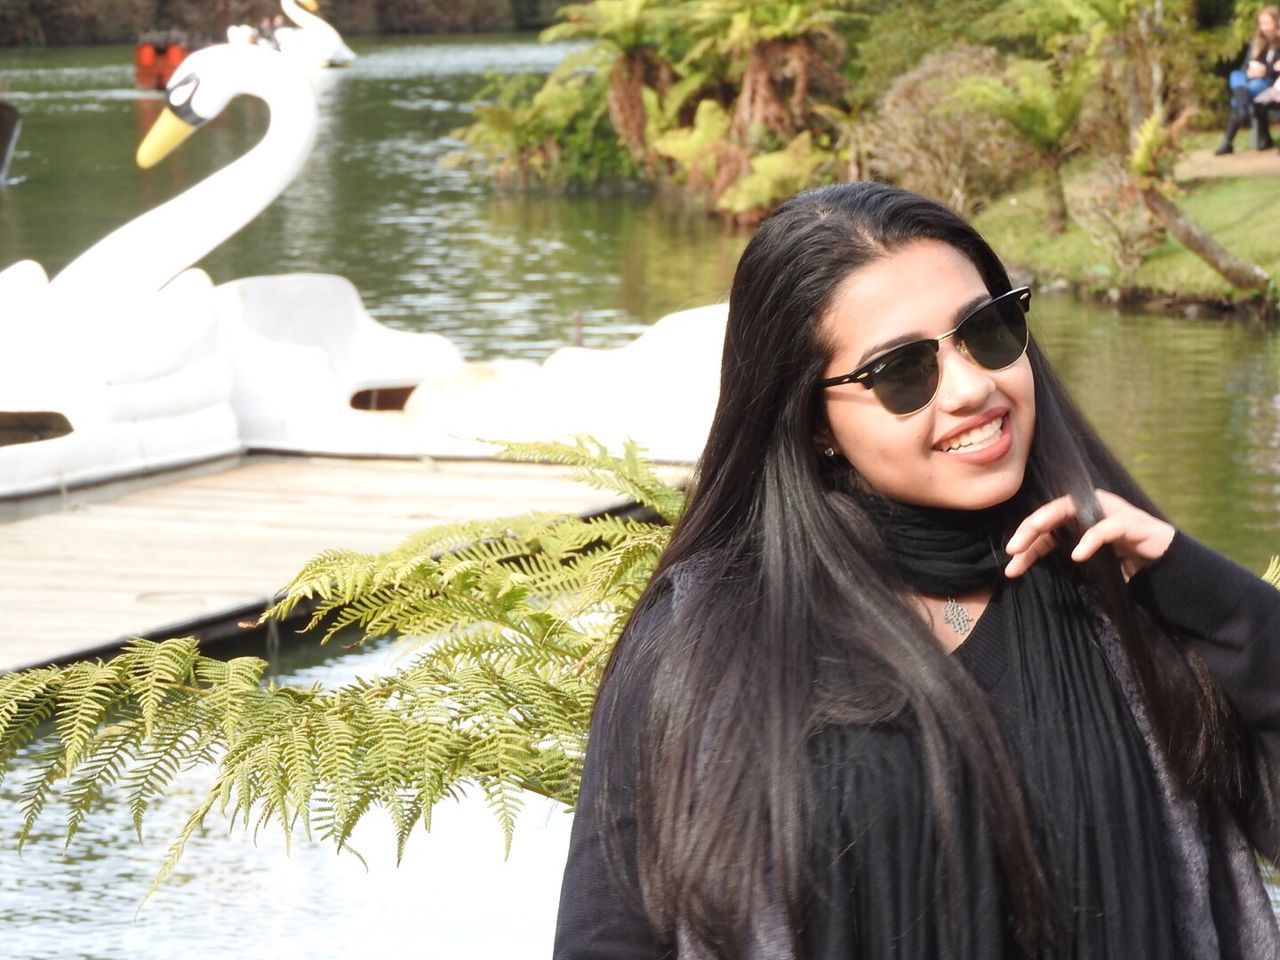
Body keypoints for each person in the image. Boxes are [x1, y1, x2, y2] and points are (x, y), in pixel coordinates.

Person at [553, 181, 1280, 959]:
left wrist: (1206, 591)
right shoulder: (707, 641)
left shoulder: (1113, 587)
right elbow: (613, 934)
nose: (974, 388)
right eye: (903, 372)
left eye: (988, 330)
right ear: (812, 421)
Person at [1215, 5, 1280, 154]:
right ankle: (1242, 107)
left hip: (1269, 83)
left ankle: (1227, 141)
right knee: (1236, 75)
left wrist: (1265, 70)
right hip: (1250, 82)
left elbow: (1276, 70)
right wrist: (1250, 71)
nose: (1263, 27)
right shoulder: (1257, 43)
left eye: (1267, 23)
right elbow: (1245, 66)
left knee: (1238, 99)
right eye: (1261, 23)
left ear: (1276, 23)